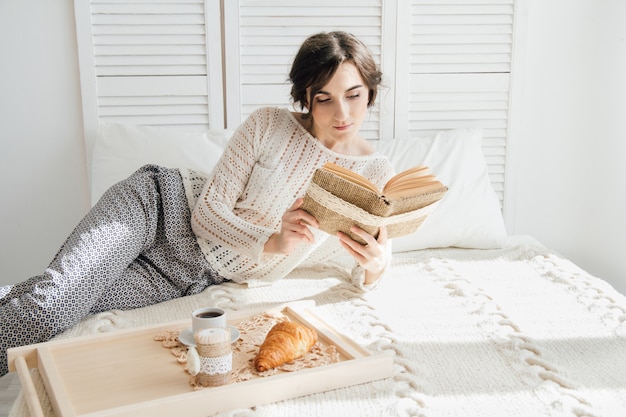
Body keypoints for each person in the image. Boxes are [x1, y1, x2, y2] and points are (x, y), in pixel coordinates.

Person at [0, 31, 395, 376]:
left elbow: (356, 267)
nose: (342, 113)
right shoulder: (268, 124)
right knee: (49, 307)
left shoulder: (374, 174)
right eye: (324, 98)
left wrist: (377, 267)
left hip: (189, 276)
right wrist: (272, 239)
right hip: (157, 208)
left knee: (63, 306)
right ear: (306, 98)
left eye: (354, 95)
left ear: (370, 91)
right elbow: (207, 215)